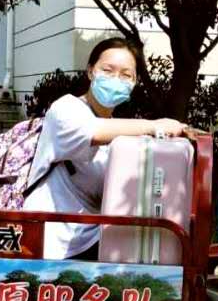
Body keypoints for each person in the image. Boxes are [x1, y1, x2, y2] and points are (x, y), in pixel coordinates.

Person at [24, 37, 186, 259]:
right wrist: (155, 125)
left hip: (92, 238)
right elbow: (93, 131)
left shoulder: (118, 132)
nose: (116, 80)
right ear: (91, 71)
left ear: (134, 82)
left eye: (126, 75)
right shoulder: (65, 109)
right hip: (50, 242)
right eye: (108, 70)